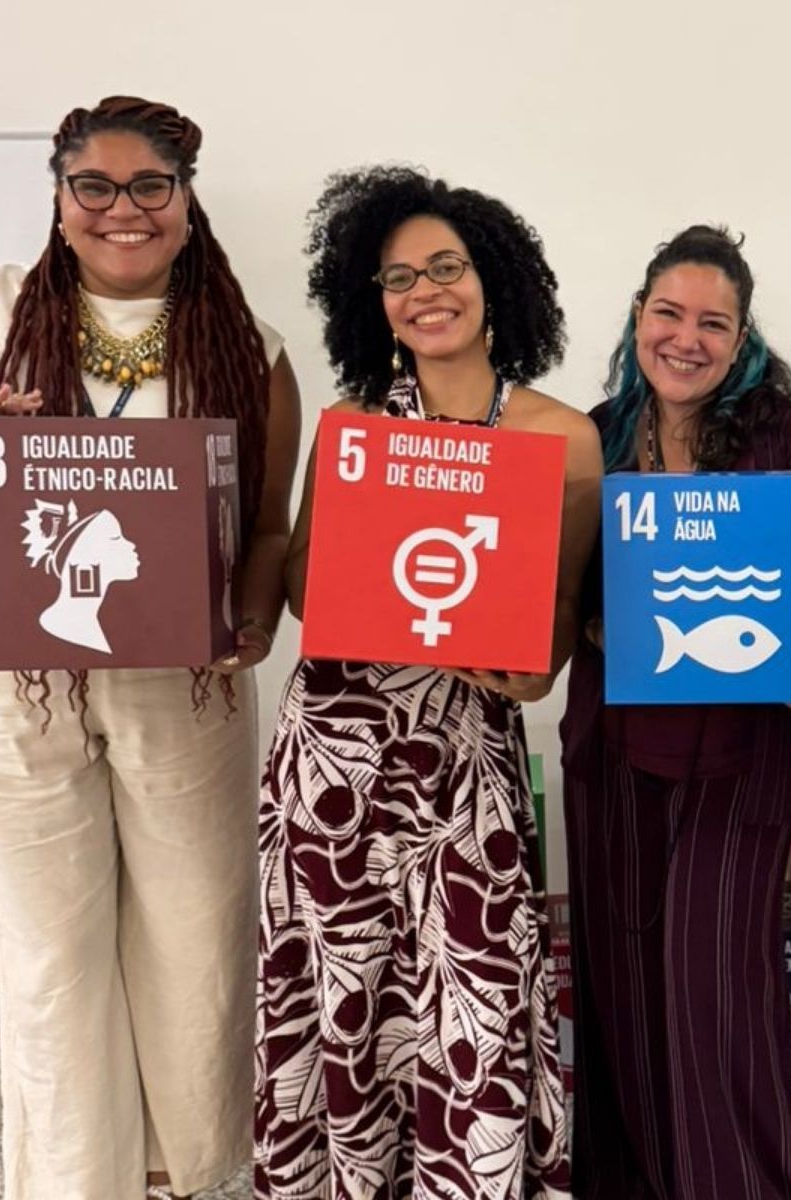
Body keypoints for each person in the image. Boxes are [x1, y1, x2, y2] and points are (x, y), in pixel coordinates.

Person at [0, 95, 291, 1200]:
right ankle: (72, 1183)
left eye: (151, 185)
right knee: (54, 956)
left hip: (182, 685)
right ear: (58, 197)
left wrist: (257, 614)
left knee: (196, 943)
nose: (121, 208)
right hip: (17, 687)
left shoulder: (252, 348)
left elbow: (272, 526)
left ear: (188, 202)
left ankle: (181, 1175)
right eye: (93, 185)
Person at [257, 164, 593, 1198]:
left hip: (461, 763)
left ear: (493, 280)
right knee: (348, 1007)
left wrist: (523, 670)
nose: (424, 291)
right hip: (333, 763)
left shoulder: (563, 436)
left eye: (445, 266)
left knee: (471, 1004)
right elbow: (311, 593)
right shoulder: (353, 426)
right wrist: (384, 502)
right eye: (397, 277)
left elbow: (552, 648)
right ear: (378, 305)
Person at [562, 225, 791, 1199]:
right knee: (621, 989)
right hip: (615, 752)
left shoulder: (787, 442)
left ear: (742, 341)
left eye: (713, 323)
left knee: (708, 992)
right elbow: (558, 604)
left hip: (743, 755)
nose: (686, 338)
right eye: (669, 313)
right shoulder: (596, 434)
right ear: (637, 318)